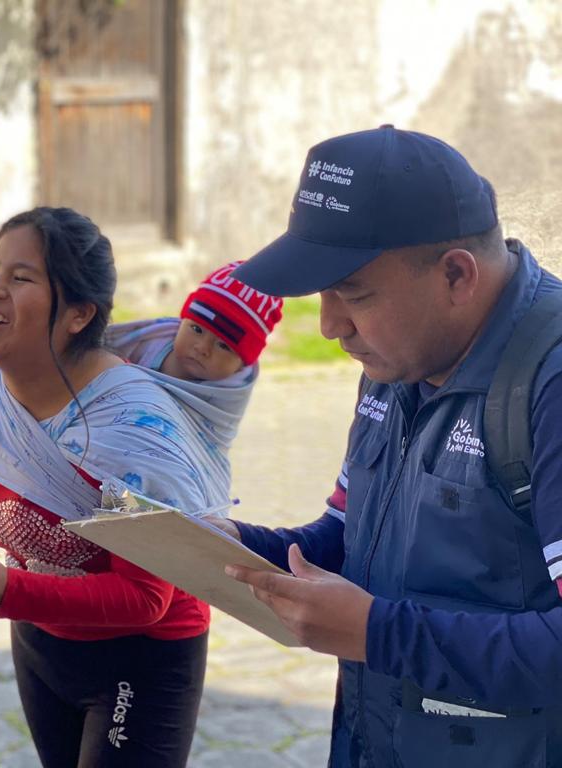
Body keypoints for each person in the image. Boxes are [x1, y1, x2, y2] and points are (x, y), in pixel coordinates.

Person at [218, 125, 562, 767]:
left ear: (456, 275)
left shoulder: (548, 383)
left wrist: (379, 634)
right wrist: (216, 546)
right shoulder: (395, 365)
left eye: (353, 294)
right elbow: (348, 541)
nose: (328, 326)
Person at [0, 207, 233, 767]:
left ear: (78, 314)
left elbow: (146, 599)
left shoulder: (129, 431)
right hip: (42, 641)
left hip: (144, 655)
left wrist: (7, 590)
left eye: (19, 278)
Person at [105, 260, 283, 384]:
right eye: (196, 329)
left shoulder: (227, 397)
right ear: (182, 321)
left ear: (242, 365)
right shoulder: (145, 346)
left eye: (223, 345)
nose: (202, 348)